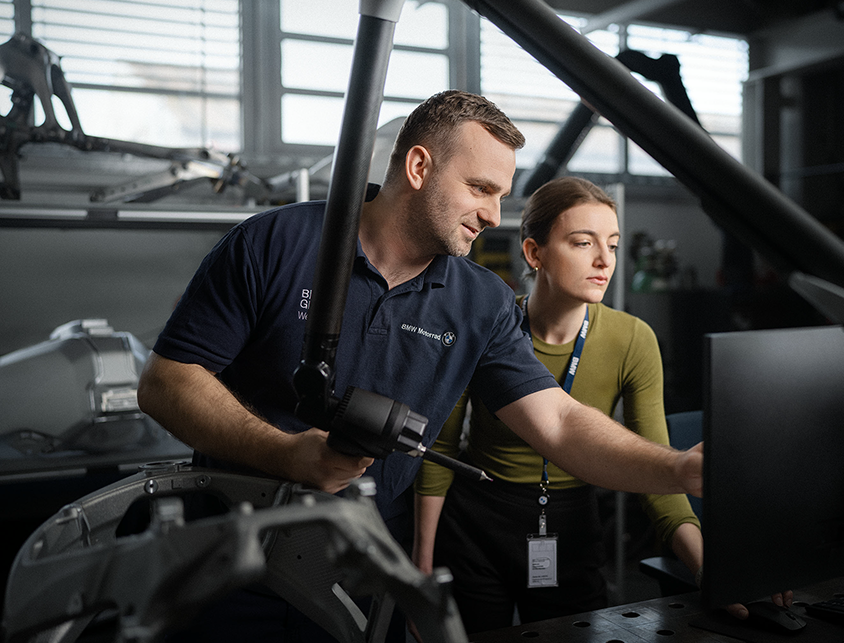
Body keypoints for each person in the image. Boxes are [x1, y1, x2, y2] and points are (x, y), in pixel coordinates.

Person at [136, 90, 703, 642]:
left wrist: (677, 469)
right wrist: (285, 453)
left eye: (502, 195)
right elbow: (166, 381)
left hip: (359, 575)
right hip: (233, 563)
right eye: (480, 188)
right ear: (417, 165)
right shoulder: (275, 242)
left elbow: (559, 423)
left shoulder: (482, 302)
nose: (492, 214)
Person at [413, 177, 704, 633]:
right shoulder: (489, 322)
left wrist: (712, 571)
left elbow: (658, 476)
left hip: (572, 525)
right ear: (534, 253)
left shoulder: (632, 339)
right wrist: (422, 565)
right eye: (583, 242)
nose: (605, 260)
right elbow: (441, 450)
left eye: (612, 244)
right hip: (477, 523)